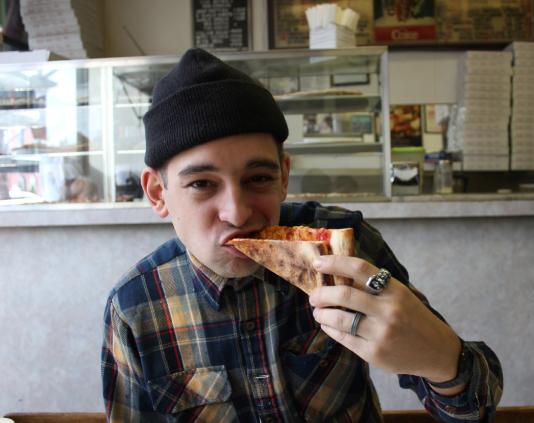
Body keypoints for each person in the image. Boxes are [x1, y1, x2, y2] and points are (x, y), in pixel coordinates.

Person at [101, 48, 503, 423]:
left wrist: (441, 360)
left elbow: (475, 410)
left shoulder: (344, 245)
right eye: (202, 184)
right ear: (158, 193)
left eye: (258, 178)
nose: (237, 212)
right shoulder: (136, 307)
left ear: (284, 177)